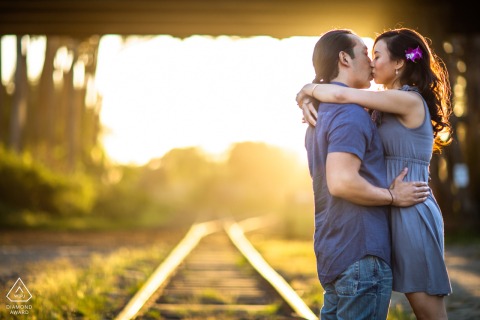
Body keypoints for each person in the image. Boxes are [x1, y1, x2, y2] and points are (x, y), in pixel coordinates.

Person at [296, 27, 453, 320]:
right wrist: (309, 95)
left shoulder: (408, 100)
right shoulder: (373, 105)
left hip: (409, 207)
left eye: (376, 55)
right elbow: (342, 99)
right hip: (388, 205)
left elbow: (342, 95)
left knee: (427, 310)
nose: (371, 62)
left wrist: (307, 90)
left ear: (399, 63)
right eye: (368, 54)